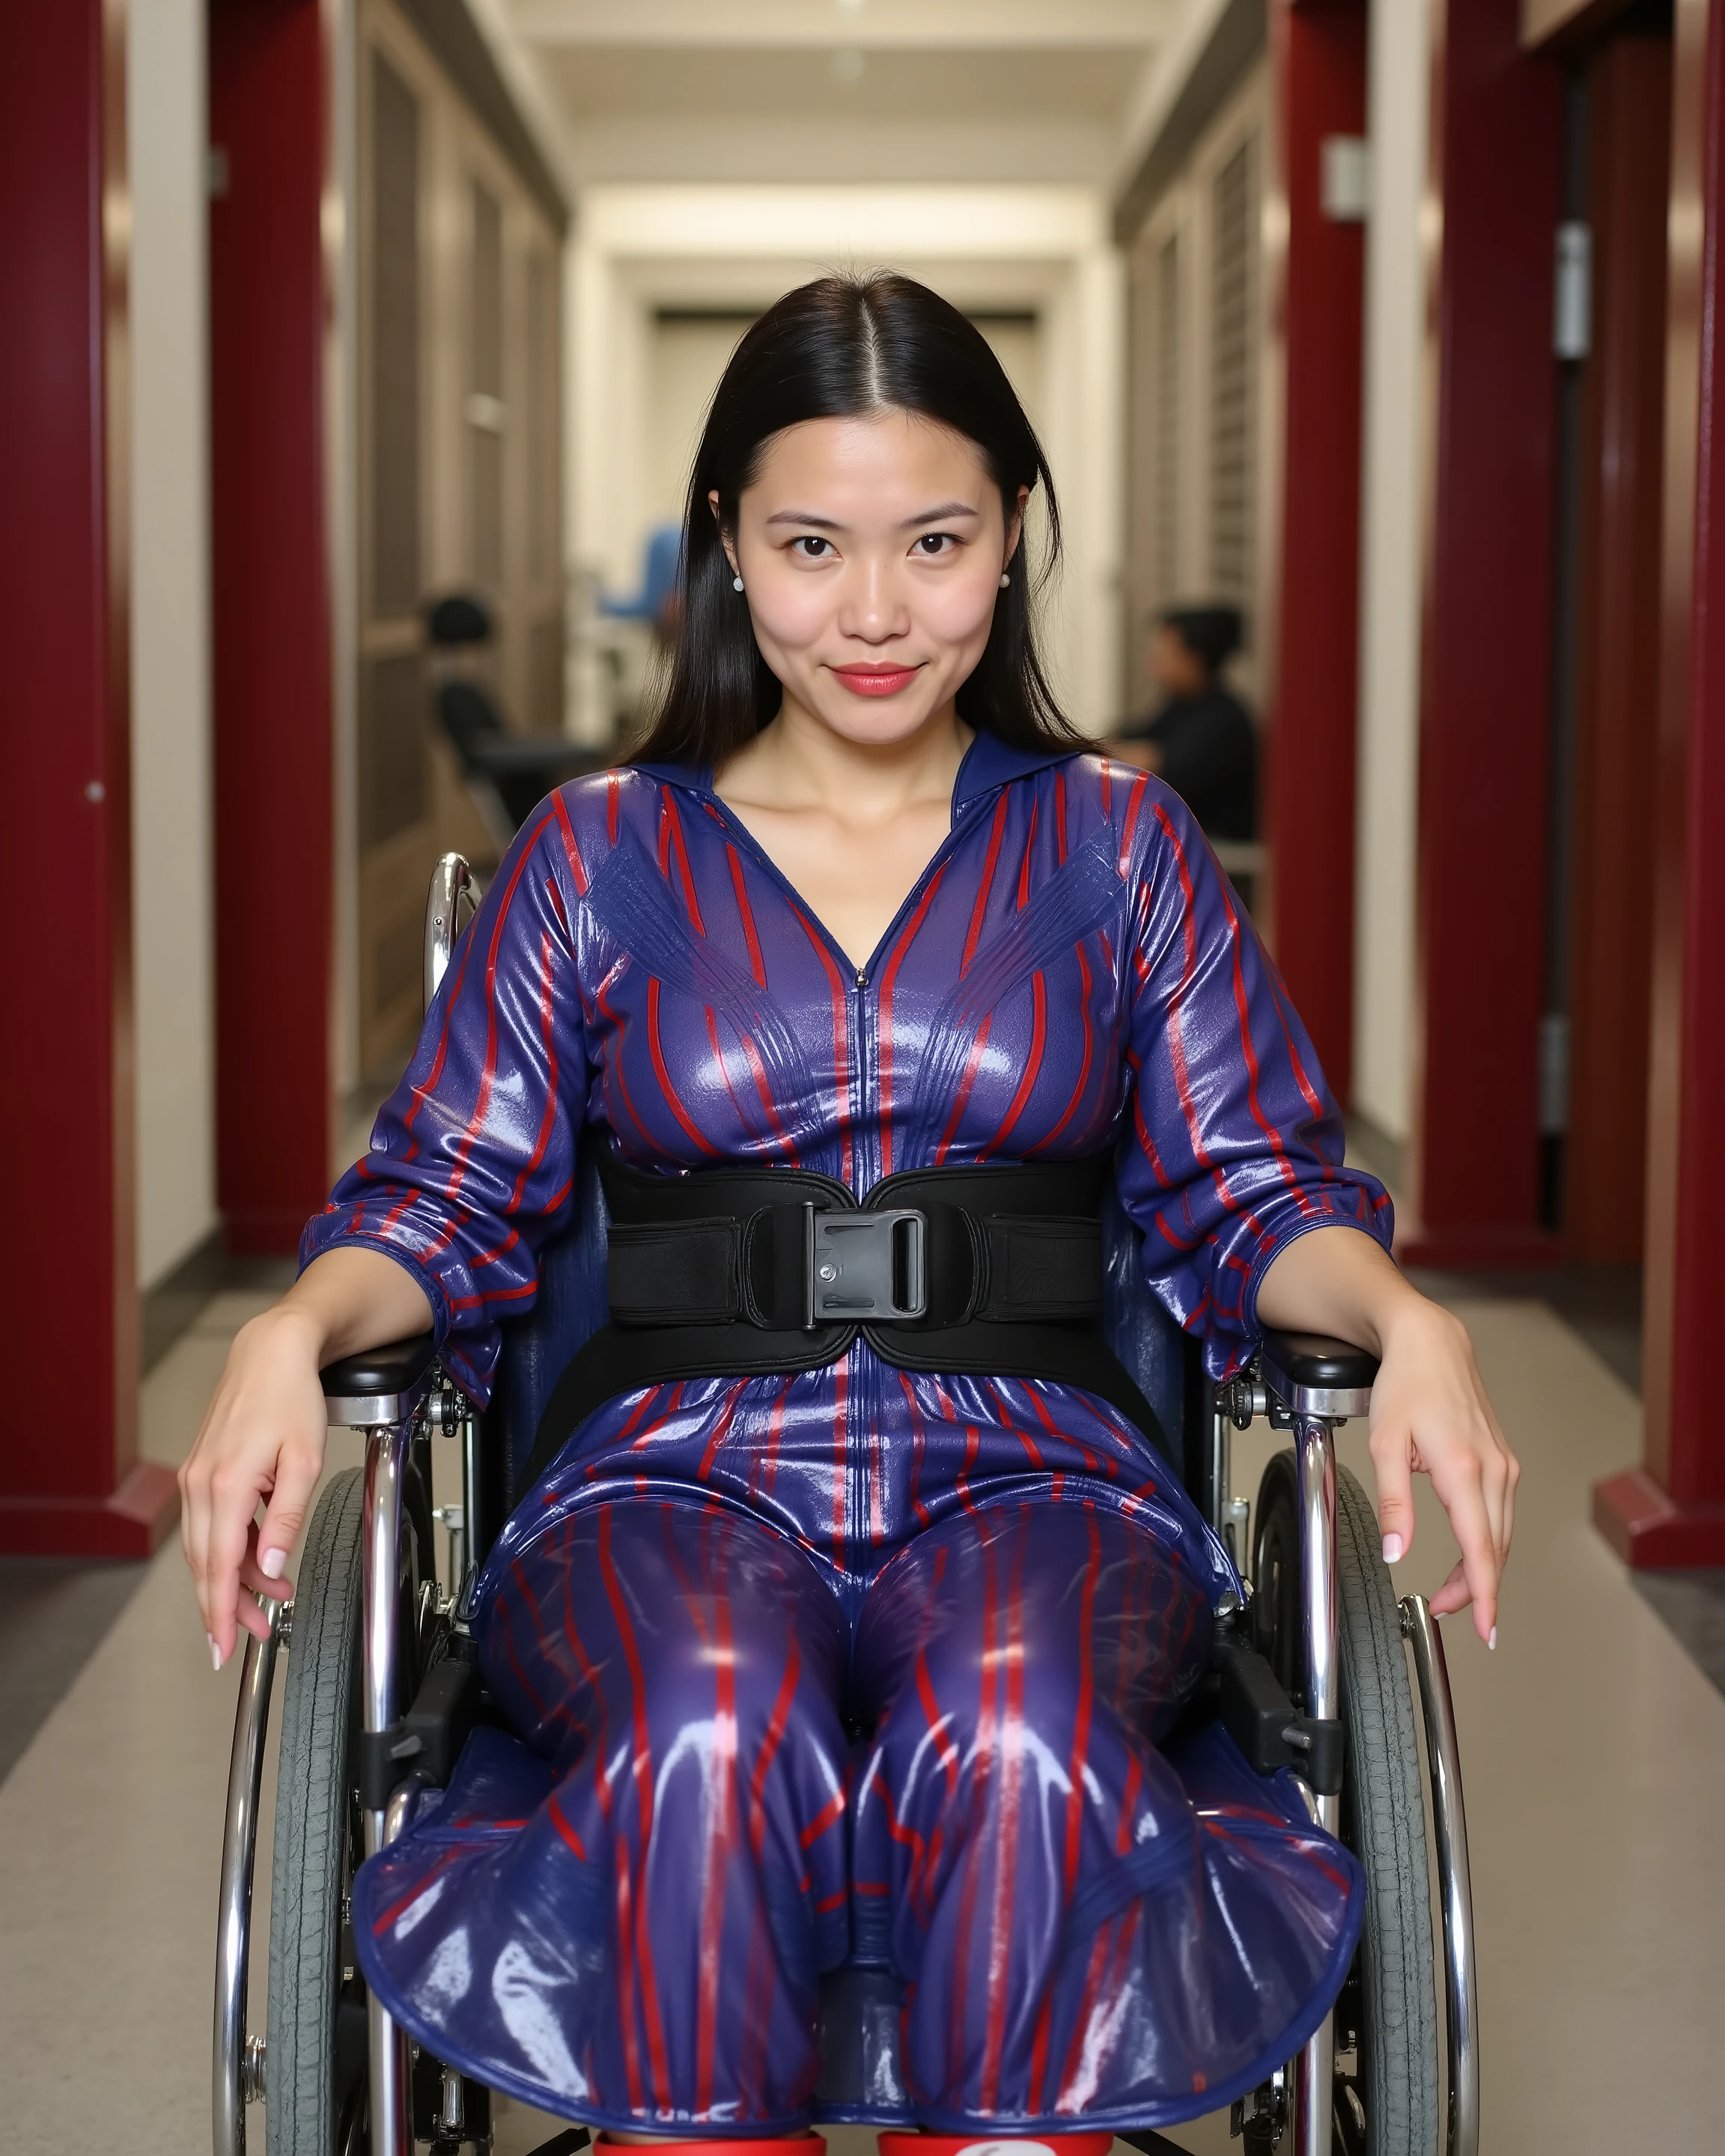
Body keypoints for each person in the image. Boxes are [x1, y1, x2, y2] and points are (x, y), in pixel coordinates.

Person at [178, 274, 1517, 2146]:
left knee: (1020, 1720)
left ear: (1012, 537)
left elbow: (1252, 1185)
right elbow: (449, 1188)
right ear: (727, 541)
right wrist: (285, 1327)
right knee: (708, 1718)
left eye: (934, 542)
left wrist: (1409, 1318)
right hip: (666, 1474)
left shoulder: (1123, 850)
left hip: (1043, 1470)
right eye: (812, 544)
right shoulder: (596, 856)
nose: (875, 612)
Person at [1112, 604, 1257, 841]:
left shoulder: (1224, 719)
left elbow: (1152, 764)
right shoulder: (1179, 706)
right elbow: (1129, 738)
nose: (1153, 662)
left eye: (1164, 654)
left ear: (1193, 659)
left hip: (1218, 853)